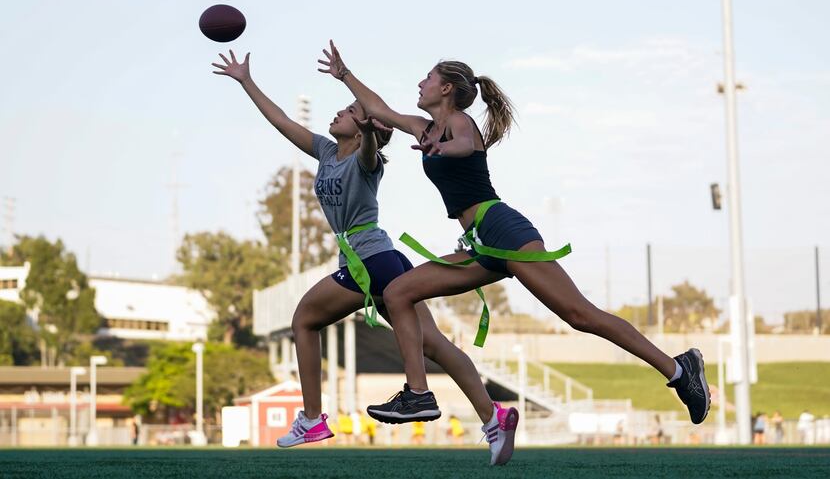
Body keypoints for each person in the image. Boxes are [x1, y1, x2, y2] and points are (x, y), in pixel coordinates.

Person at [318, 41, 711, 431]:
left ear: (446, 89)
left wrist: (442, 147)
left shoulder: (457, 123)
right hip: (479, 243)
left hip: (503, 228)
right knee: (399, 292)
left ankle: (679, 369)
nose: (420, 83)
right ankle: (418, 394)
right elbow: (380, 109)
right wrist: (345, 75)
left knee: (579, 315)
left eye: (428, 78)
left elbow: (468, 145)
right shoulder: (424, 127)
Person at [213, 50, 516, 465]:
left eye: (349, 111)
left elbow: (373, 148)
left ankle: (314, 418)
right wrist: (246, 81)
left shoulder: (365, 159)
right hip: (382, 261)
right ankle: (493, 417)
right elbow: (282, 121)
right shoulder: (325, 152)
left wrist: (373, 131)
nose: (339, 113)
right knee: (434, 345)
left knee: (304, 319)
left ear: (362, 130)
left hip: (371, 261)